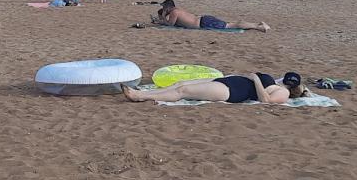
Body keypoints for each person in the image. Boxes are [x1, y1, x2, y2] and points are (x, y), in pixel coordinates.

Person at [121, 71, 309, 104]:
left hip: (231, 92)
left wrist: (255, 79)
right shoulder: (277, 82)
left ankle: (139, 97)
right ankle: (143, 93)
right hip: (227, 82)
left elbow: (266, 100)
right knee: (180, 84)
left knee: (183, 92)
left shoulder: (283, 92)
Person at [152, 0, 270, 32]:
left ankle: (259, 26)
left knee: (231, 25)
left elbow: (170, 25)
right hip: (204, 20)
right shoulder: (178, 10)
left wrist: (162, 17)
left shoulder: (174, 12)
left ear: (168, 7)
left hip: (204, 23)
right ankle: (257, 25)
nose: (163, 9)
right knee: (231, 24)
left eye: (164, 8)